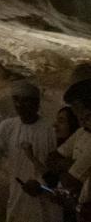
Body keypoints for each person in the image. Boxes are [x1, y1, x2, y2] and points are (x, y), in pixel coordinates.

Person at [0, 81, 63, 222]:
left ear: (36, 103)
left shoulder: (50, 129)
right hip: (19, 195)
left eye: (25, 101)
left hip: (46, 196)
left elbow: (59, 167)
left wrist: (42, 185)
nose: (20, 105)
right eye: (16, 100)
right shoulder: (8, 126)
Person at [55, 77, 91, 222]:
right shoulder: (83, 133)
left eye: (78, 111)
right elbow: (52, 159)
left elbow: (69, 181)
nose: (79, 118)